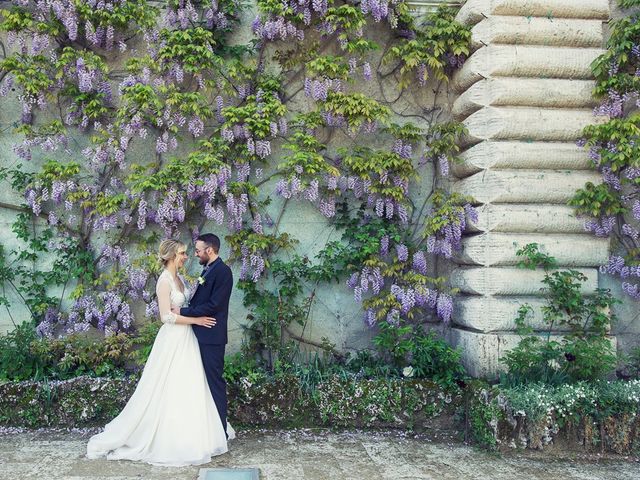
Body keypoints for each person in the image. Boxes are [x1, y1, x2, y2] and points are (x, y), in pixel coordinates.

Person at [86, 239, 232, 466]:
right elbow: (166, 317)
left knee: (190, 385)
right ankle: (167, 435)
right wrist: (196, 319)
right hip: (174, 338)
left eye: (188, 252)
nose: (187, 256)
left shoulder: (180, 279)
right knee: (168, 386)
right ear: (172, 256)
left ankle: (195, 432)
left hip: (188, 337)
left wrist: (192, 317)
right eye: (183, 253)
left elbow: (191, 305)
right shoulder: (164, 282)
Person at [172, 233, 233, 439]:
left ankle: (220, 432)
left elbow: (215, 305)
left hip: (212, 335)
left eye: (198, 251)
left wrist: (184, 312)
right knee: (200, 383)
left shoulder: (223, 272)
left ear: (210, 250)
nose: (195, 254)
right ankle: (207, 429)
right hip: (199, 333)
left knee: (214, 382)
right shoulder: (208, 269)